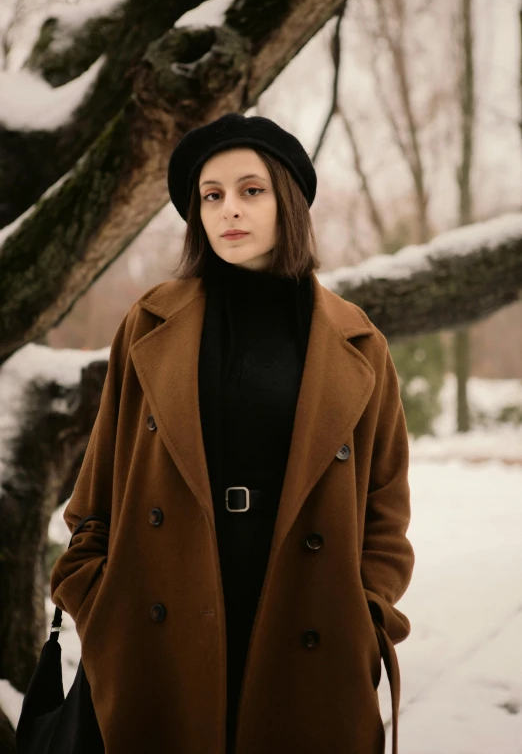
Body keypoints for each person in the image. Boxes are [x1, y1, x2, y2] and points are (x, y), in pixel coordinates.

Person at [50, 112, 415, 754]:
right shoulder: (150, 323)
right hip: (163, 617)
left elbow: (385, 510)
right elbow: (97, 491)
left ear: (289, 202)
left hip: (306, 614)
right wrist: (97, 598)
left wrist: (366, 613)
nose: (228, 211)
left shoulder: (356, 341)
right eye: (211, 196)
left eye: (251, 190)